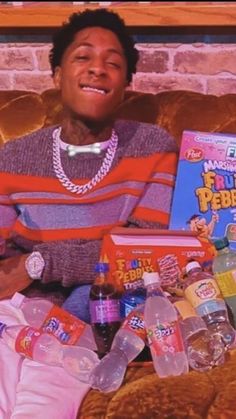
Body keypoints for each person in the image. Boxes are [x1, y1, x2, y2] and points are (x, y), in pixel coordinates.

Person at [0, 8, 177, 324]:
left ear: (125, 84)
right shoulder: (14, 157)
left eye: (113, 63)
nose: (98, 69)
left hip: (106, 304)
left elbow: (140, 252)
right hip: (23, 309)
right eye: (83, 58)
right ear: (57, 74)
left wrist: (38, 263)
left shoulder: (153, 147)